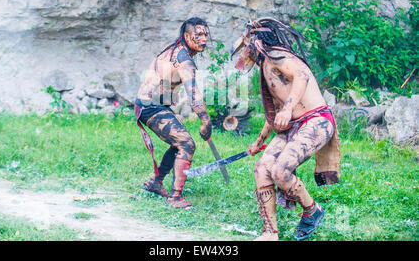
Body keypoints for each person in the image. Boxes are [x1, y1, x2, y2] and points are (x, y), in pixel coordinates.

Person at [230, 17, 341, 240]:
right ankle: (270, 232)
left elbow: (301, 77)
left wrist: (287, 111)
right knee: (262, 169)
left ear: (257, 41)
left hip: (315, 121)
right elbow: (275, 114)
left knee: (280, 171)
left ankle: (312, 210)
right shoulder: (267, 66)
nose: (244, 53)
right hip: (293, 126)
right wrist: (259, 141)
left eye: (247, 46)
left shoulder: (278, 55)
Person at [134, 17, 213, 209]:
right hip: (150, 106)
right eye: (199, 34)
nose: (204, 39)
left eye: (205, 35)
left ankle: (155, 182)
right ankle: (175, 197)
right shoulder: (184, 59)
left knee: (179, 143)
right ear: (187, 36)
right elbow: (193, 94)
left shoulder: (175, 50)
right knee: (186, 144)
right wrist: (205, 121)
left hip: (151, 105)